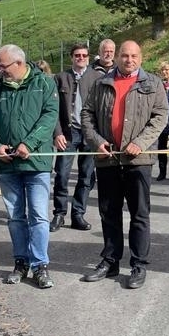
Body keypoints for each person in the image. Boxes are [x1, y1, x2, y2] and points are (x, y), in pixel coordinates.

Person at [80, 40, 168, 289]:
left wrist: (141, 142)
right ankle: (110, 260)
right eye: (125, 55)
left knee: (139, 214)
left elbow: (160, 116)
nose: (129, 60)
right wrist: (96, 141)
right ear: (117, 57)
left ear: (141, 58)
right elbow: (86, 115)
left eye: (134, 56)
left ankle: (138, 264)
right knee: (109, 211)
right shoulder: (101, 83)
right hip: (107, 158)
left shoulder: (152, 84)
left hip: (138, 159)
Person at [0, 44, 59, 289]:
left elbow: (50, 116)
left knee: (38, 216)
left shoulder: (44, 84)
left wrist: (30, 144)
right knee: (15, 217)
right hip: (7, 166)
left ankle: (40, 265)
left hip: (36, 163)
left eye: (2, 66)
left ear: (19, 64)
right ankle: (20, 262)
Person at [50, 43, 98, 232]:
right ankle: (59, 214)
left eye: (84, 55)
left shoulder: (97, 78)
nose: (81, 58)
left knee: (86, 177)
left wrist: (99, 137)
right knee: (61, 174)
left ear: (88, 57)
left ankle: (78, 213)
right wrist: (57, 133)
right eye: (77, 55)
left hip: (90, 134)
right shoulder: (60, 78)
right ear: (71, 57)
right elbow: (52, 109)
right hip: (67, 134)